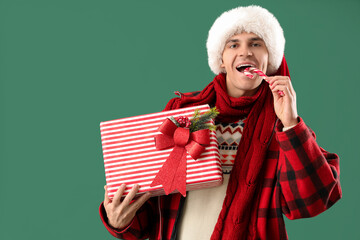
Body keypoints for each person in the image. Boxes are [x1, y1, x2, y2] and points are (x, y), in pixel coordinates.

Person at [99, 5, 342, 240]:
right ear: (222, 60)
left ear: (270, 60)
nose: (245, 51)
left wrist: (290, 124)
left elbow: (313, 201)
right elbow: (149, 217)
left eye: (256, 44)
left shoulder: (285, 129)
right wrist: (120, 220)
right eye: (233, 44)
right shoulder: (180, 116)